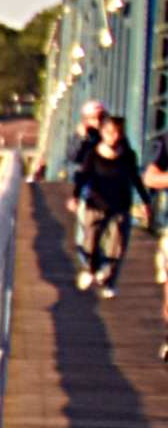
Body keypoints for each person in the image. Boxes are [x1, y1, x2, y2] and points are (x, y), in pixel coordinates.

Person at [73, 100, 142, 292]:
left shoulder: (119, 139)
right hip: (91, 191)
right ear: (86, 120)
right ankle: (90, 268)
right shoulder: (84, 137)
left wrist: (143, 200)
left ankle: (105, 276)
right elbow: (76, 158)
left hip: (116, 198)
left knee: (117, 240)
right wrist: (85, 138)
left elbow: (130, 169)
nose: (96, 121)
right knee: (87, 237)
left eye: (100, 117)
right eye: (92, 118)